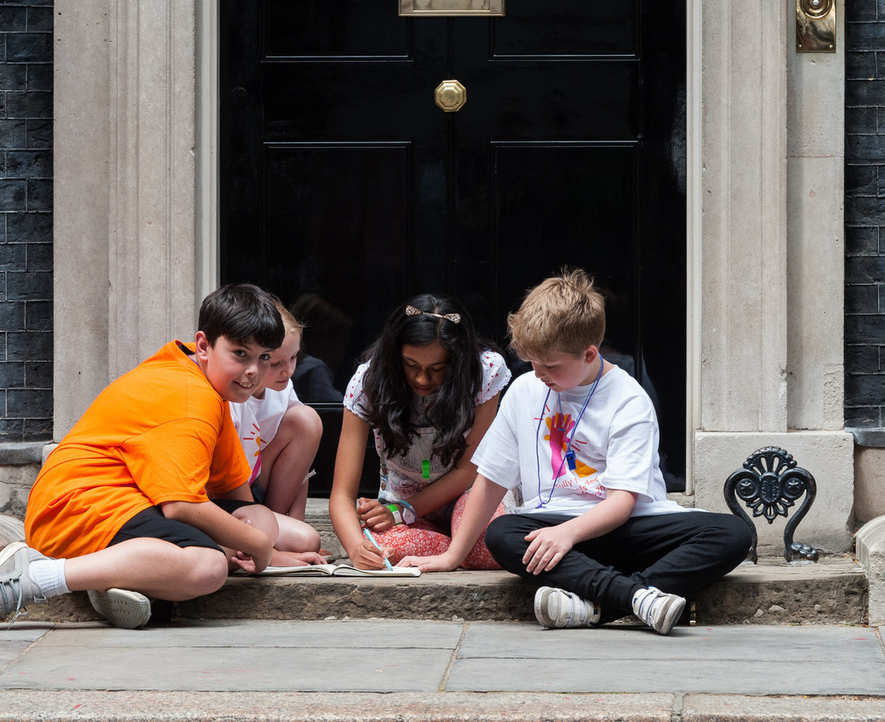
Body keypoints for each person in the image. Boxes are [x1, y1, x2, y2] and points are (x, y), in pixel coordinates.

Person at [0, 284, 325, 633]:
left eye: (264, 359)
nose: (252, 372)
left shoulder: (196, 371)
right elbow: (181, 506)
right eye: (240, 354)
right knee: (208, 567)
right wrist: (260, 548)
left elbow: (234, 491)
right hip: (76, 506)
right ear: (204, 345)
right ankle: (34, 577)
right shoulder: (190, 400)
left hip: (127, 503)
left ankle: (119, 577)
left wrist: (268, 550)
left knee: (258, 517)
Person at [399, 269, 751, 635]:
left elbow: (622, 503)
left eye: (550, 365)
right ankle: (638, 597)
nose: (538, 374)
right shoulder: (523, 391)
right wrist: (452, 556)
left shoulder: (629, 400)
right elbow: (490, 480)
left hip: (625, 529)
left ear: (589, 353)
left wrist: (569, 533)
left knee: (732, 533)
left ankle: (598, 606)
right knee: (503, 532)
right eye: (531, 361)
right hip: (552, 530)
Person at [329, 294, 511, 570]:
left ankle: (457, 550)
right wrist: (356, 548)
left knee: (488, 545)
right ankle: (459, 551)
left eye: (437, 369)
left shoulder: (483, 372)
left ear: (458, 362)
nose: (422, 379)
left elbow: (467, 471)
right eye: (410, 365)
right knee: (380, 550)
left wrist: (404, 510)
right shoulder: (368, 382)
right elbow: (342, 494)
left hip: (469, 497)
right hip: (399, 505)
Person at [228, 299, 323, 553]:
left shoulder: (283, 389)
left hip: (261, 484)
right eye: (276, 362)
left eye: (294, 358)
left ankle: (275, 527)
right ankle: (262, 541)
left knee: (306, 419)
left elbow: (301, 463)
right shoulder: (233, 395)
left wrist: (296, 520)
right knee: (306, 540)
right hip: (230, 497)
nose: (289, 370)